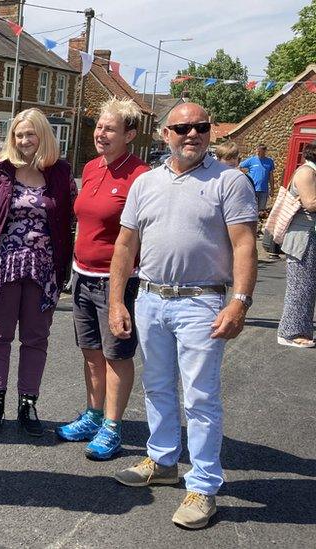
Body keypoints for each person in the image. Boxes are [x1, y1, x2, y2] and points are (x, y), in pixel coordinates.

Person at [108, 102, 257, 529]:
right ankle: (162, 459)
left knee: (200, 397)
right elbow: (124, 246)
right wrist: (118, 301)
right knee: (157, 386)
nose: (192, 134)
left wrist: (240, 301)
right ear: (164, 134)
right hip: (151, 298)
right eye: (182, 128)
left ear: (210, 132)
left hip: (202, 302)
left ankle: (204, 484)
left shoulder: (229, 181)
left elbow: (245, 244)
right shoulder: (146, 183)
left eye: (201, 127)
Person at [0, 108, 76, 437]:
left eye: (30, 134)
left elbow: (70, 217)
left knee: (35, 339)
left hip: (43, 269)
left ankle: (28, 403)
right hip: (1, 266)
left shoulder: (60, 173)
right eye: (18, 134)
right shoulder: (1, 171)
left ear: (43, 135)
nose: (23, 140)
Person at [55, 98, 148, 460]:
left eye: (110, 129)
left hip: (118, 282)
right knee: (91, 352)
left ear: (130, 134)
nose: (101, 133)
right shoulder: (92, 167)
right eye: (99, 127)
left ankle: (112, 426)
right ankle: (93, 415)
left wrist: (122, 292)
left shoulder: (141, 176)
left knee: (116, 355)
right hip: (82, 276)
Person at [277, 142, 316, 348]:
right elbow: (311, 203)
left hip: (309, 236)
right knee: (300, 287)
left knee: (307, 287)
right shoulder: (307, 173)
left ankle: (301, 330)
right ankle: (290, 333)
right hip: (303, 238)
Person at [240, 143, 275, 214]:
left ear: (264, 151)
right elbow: (239, 166)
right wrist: (244, 177)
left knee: (261, 211)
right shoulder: (252, 160)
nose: (258, 153)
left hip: (264, 190)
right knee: (251, 209)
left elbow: (271, 176)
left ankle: (258, 224)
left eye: (260, 151)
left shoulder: (270, 161)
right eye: (257, 151)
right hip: (252, 189)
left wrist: (272, 189)